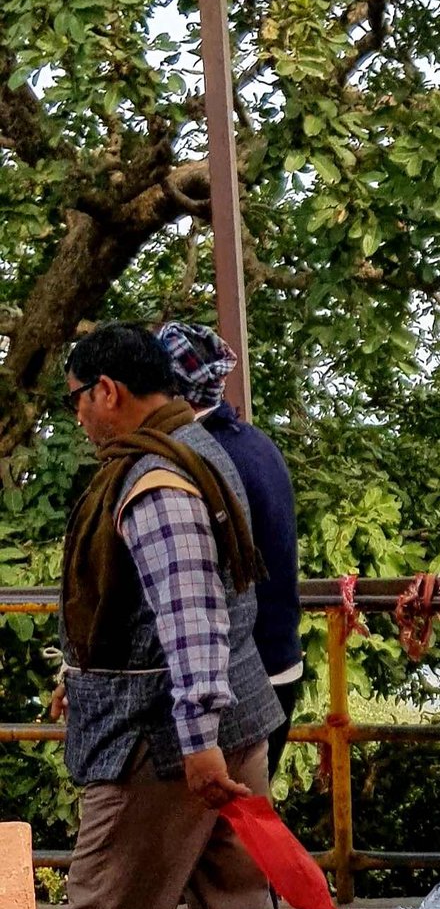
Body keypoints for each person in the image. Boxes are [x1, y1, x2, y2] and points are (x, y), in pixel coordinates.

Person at [44, 323, 283, 909]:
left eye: (76, 399)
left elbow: (192, 616)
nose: (78, 416)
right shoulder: (200, 445)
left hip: (166, 742)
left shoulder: (154, 479)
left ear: (107, 391)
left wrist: (197, 742)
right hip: (234, 715)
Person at [156, 320, 303, 781]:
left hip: (239, 676)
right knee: (246, 813)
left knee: (221, 812)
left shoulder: (196, 457)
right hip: (281, 661)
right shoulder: (256, 443)